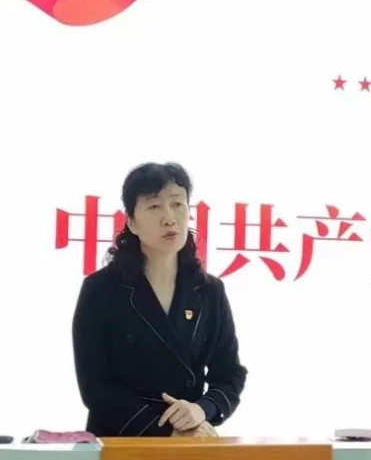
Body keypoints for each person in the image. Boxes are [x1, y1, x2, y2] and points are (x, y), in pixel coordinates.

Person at [72, 162, 247, 438]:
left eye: (177, 204)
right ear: (131, 222)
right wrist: (165, 431)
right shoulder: (100, 289)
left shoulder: (210, 290)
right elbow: (96, 387)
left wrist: (201, 410)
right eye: (154, 206)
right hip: (123, 440)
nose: (169, 218)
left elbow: (230, 376)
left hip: (192, 438)